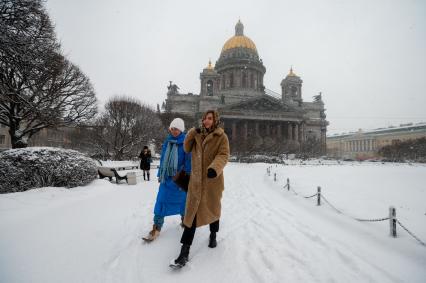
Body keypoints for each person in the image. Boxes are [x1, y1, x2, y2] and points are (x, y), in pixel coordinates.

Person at [171, 110, 230, 268]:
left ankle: (213, 234)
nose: (206, 121)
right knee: (191, 216)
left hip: (212, 180)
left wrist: (214, 168)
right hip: (196, 181)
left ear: (215, 120)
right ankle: (184, 251)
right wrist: (191, 132)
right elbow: (186, 148)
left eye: (210, 118)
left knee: (213, 210)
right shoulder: (197, 134)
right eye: (205, 118)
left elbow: (224, 155)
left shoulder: (221, 136)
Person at [143, 118, 191, 242]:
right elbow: (163, 160)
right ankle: (157, 228)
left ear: (181, 130)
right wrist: (160, 175)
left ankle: (185, 222)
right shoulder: (167, 142)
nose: (174, 131)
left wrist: (185, 178)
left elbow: (188, 162)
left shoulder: (186, 142)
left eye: (176, 129)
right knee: (161, 202)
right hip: (166, 179)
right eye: (172, 128)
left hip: (179, 180)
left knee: (183, 204)